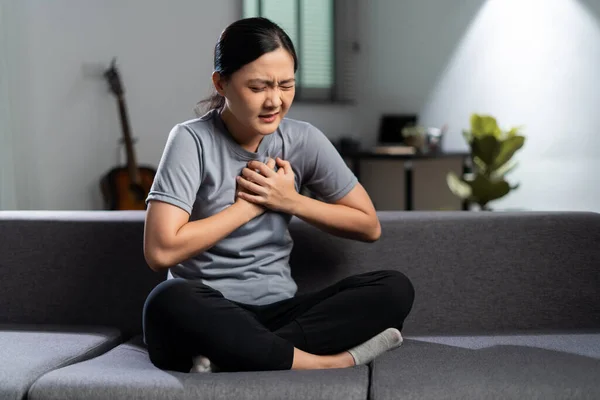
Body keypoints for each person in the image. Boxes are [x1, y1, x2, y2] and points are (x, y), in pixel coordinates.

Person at [142, 17, 415, 373]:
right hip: (208, 307)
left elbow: (368, 226)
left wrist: (290, 201)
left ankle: (238, 354)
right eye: (258, 87)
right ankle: (324, 363)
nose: (275, 101)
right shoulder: (190, 141)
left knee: (394, 288)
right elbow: (160, 252)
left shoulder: (303, 140)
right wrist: (248, 207)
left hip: (279, 312)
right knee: (167, 299)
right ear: (221, 82)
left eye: (286, 85)